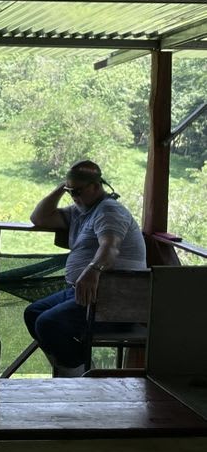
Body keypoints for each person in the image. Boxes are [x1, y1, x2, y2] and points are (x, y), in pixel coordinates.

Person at [24, 159, 146, 377]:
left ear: (96, 186)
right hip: (85, 291)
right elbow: (39, 217)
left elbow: (110, 247)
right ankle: (77, 369)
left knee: (48, 323)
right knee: (33, 313)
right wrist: (64, 186)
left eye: (78, 191)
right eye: (72, 192)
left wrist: (93, 270)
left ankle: (78, 376)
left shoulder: (109, 210)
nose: (75, 197)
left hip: (115, 300)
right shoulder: (81, 211)